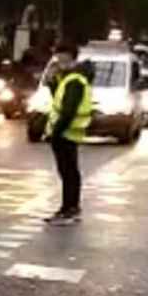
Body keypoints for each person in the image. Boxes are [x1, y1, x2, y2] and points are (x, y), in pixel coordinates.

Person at [44, 44, 94, 226]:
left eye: (63, 59)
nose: (60, 63)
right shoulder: (69, 78)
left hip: (66, 132)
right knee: (68, 172)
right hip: (68, 132)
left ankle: (69, 210)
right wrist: (51, 81)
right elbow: (59, 98)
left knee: (69, 172)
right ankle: (69, 208)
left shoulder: (74, 80)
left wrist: (56, 133)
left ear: (72, 59)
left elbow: (68, 110)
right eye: (58, 59)